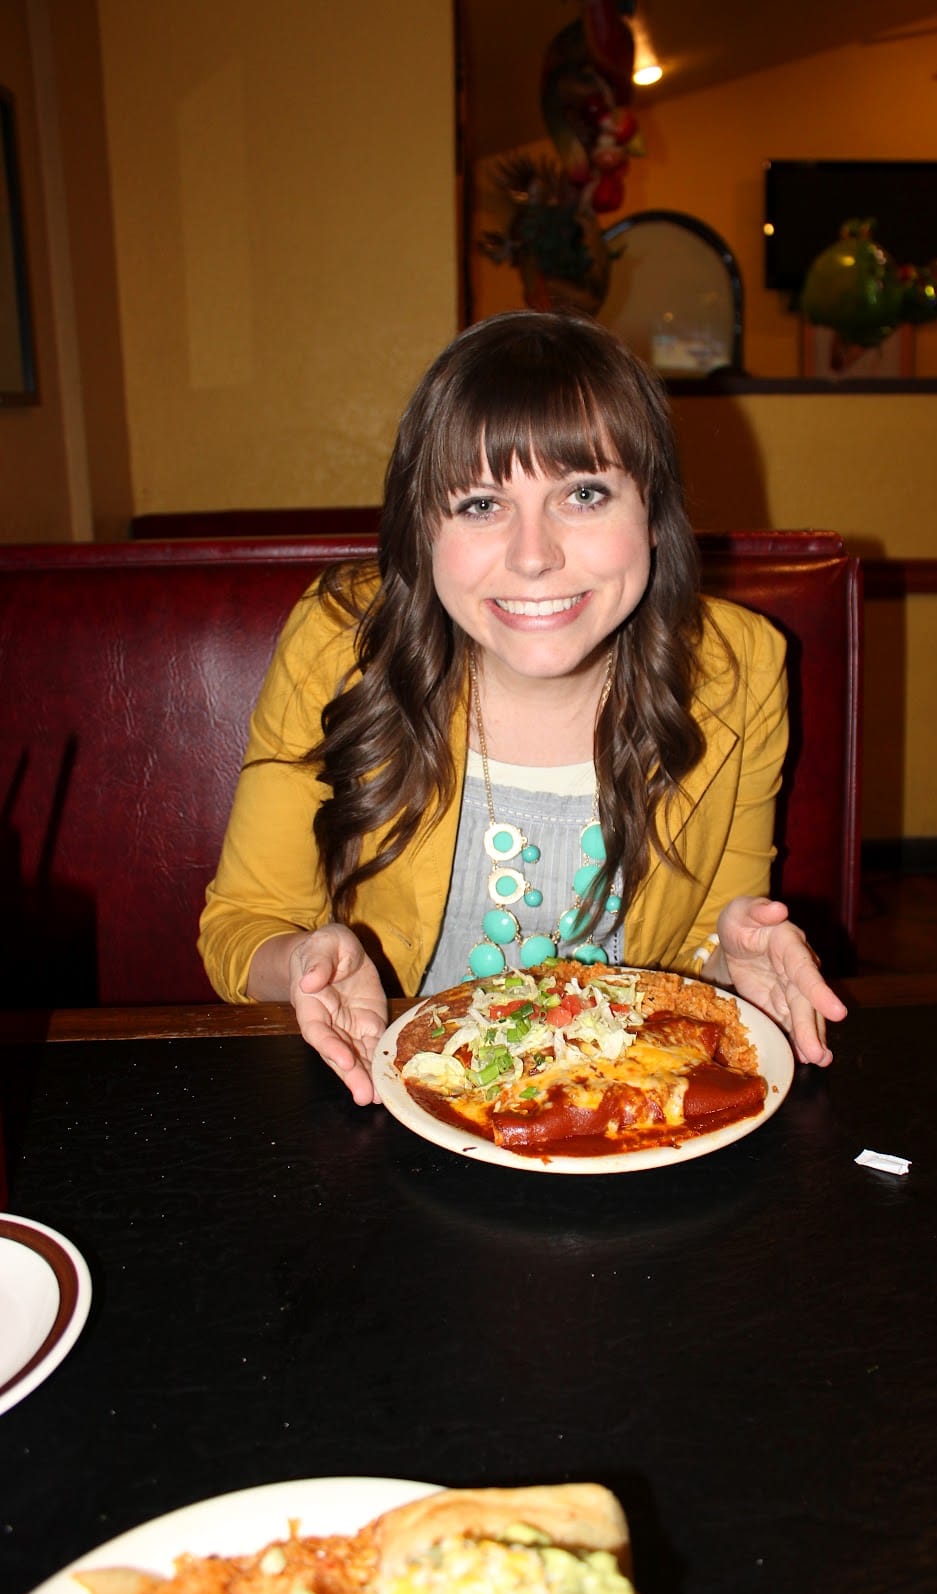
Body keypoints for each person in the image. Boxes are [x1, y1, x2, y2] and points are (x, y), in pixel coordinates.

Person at [199, 311, 846, 1104]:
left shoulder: (738, 668)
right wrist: (300, 961)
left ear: (652, 512)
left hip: (620, 1116)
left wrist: (728, 961)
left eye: (583, 493)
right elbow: (242, 924)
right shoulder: (340, 644)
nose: (533, 556)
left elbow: (703, 937)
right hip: (384, 1104)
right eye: (479, 503)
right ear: (421, 527)